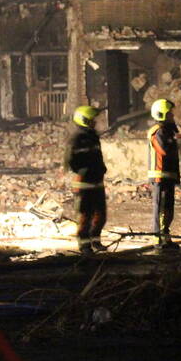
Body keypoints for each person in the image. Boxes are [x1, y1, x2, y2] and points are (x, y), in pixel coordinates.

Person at [63, 104, 107, 254]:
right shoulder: (77, 139)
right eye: (92, 119)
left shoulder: (93, 137)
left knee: (100, 214)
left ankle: (95, 240)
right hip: (84, 183)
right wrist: (83, 171)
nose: (95, 122)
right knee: (85, 215)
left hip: (97, 182)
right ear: (85, 120)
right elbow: (70, 161)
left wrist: (102, 169)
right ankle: (84, 245)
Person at [148, 98, 181, 251]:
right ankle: (159, 240)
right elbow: (164, 150)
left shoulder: (168, 131)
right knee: (161, 208)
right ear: (162, 114)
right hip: (160, 176)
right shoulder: (158, 131)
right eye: (170, 114)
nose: (173, 116)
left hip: (168, 175)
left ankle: (165, 238)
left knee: (168, 208)